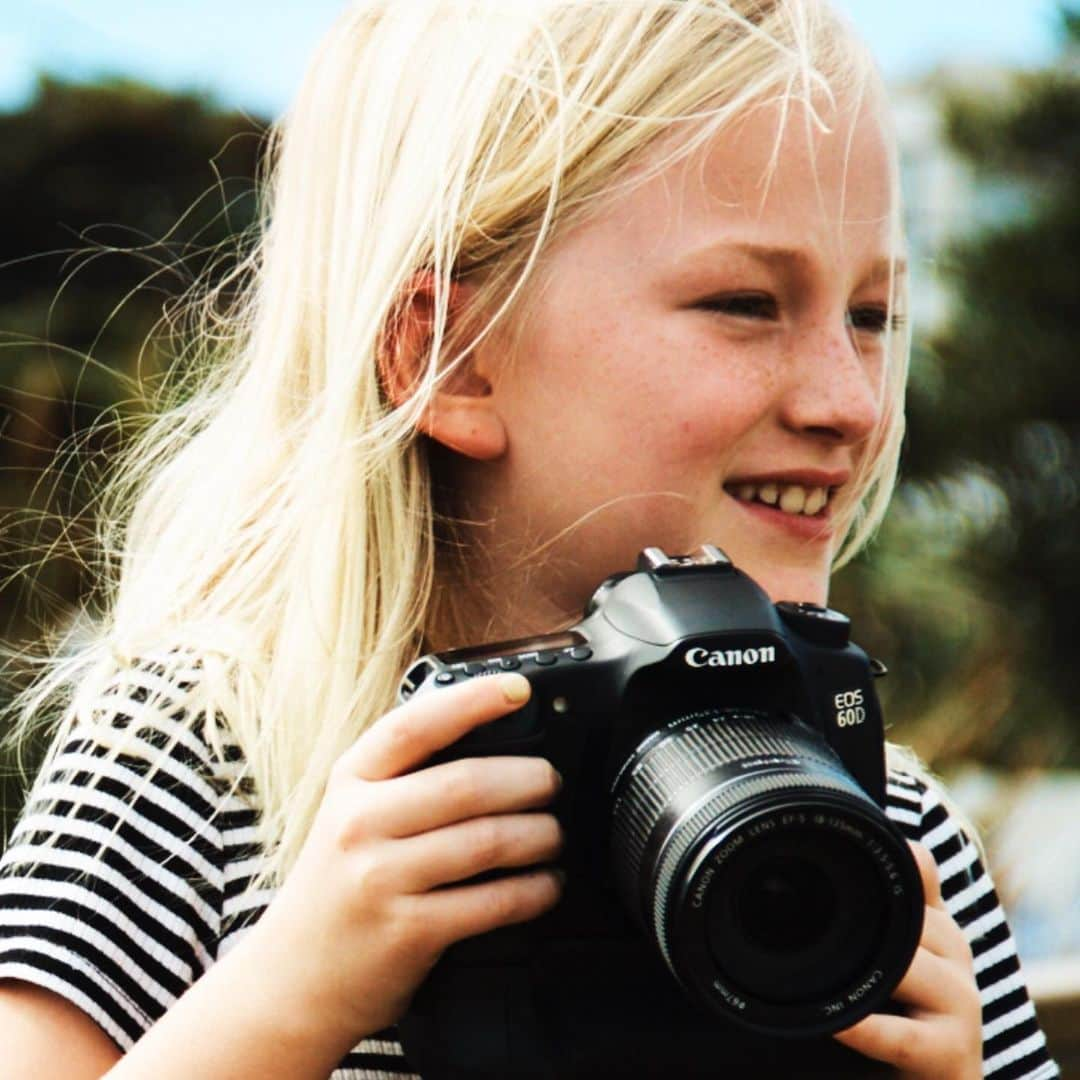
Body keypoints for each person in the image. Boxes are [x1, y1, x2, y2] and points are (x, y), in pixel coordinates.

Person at [0, 1, 1059, 1077]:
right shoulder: (209, 758)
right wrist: (293, 995)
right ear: (452, 360)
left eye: (872, 318)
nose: (853, 401)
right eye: (746, 302)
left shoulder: (879, 830)